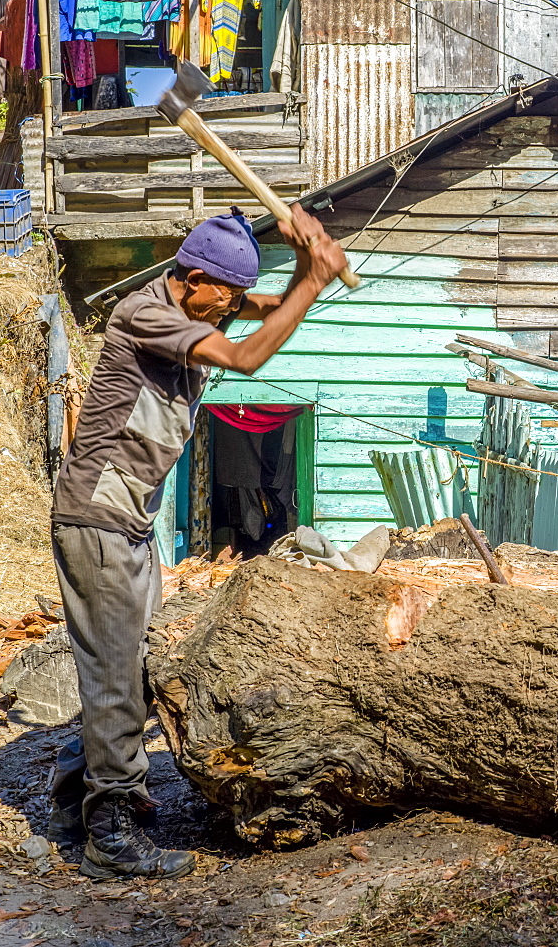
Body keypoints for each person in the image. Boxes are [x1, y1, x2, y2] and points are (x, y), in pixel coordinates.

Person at [47, 205, 347, 881]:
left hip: (127, 520)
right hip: (96, 517)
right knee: (118, 678)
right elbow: (246, 356)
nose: (236, 307)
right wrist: (313, 280)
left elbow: (269, 306)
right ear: (194, 278)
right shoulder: (146, 315)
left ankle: (72, 801)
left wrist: (307, 264)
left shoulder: (197, 304)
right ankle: (111, 835)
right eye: (229, 295)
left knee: (132, 670)